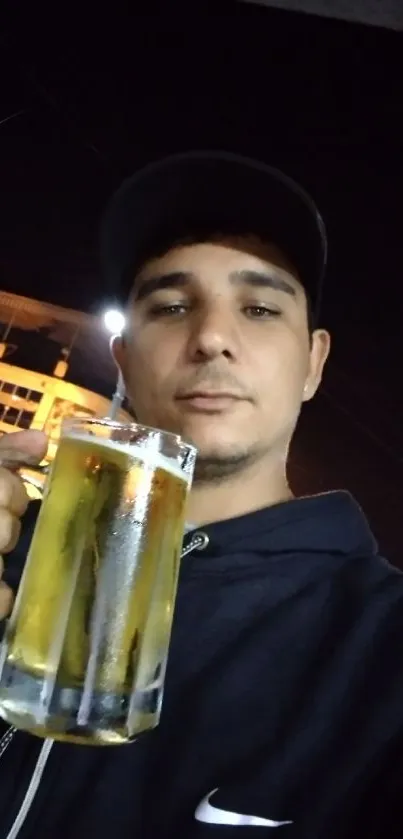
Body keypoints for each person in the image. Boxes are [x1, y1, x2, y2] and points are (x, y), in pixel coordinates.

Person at [0, 151, 402, 839]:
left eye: (259, 307)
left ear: (312, 362)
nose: (211, 337)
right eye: (172, 305)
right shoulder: (15, 557)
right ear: (123, 360)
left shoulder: (378, 654)